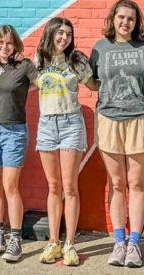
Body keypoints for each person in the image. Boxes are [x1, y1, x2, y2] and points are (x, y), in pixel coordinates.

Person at [88, 0, 144, 268]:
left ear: (136, 22)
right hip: (108, 119)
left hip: (141, 118)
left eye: (130, 18)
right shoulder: (100, 47)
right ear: (113, 19)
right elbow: (94, 81)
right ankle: (119, 242)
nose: (125, 22)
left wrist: (142, 97)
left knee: (137, 183)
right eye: (121, 17)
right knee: (116, 184)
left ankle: (135, 243)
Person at [33, 17, 93, 266]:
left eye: (68, 34)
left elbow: (94, 84)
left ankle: (69, 243)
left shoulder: (76, 60)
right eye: (60, 33)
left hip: (70, 124)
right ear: (50, 34)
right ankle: (53, 242)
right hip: (46, 124)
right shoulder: (39, 59)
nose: (64, 38)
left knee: (70, 186)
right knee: (53, 186)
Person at [0, 25, 37, 263]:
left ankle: (15, 239)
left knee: (10, 186)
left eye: (9, 43)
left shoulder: (24, 66)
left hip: (14, 130)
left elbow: (39, 83)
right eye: (0, 42)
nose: (5, 47)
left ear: (16, 45)